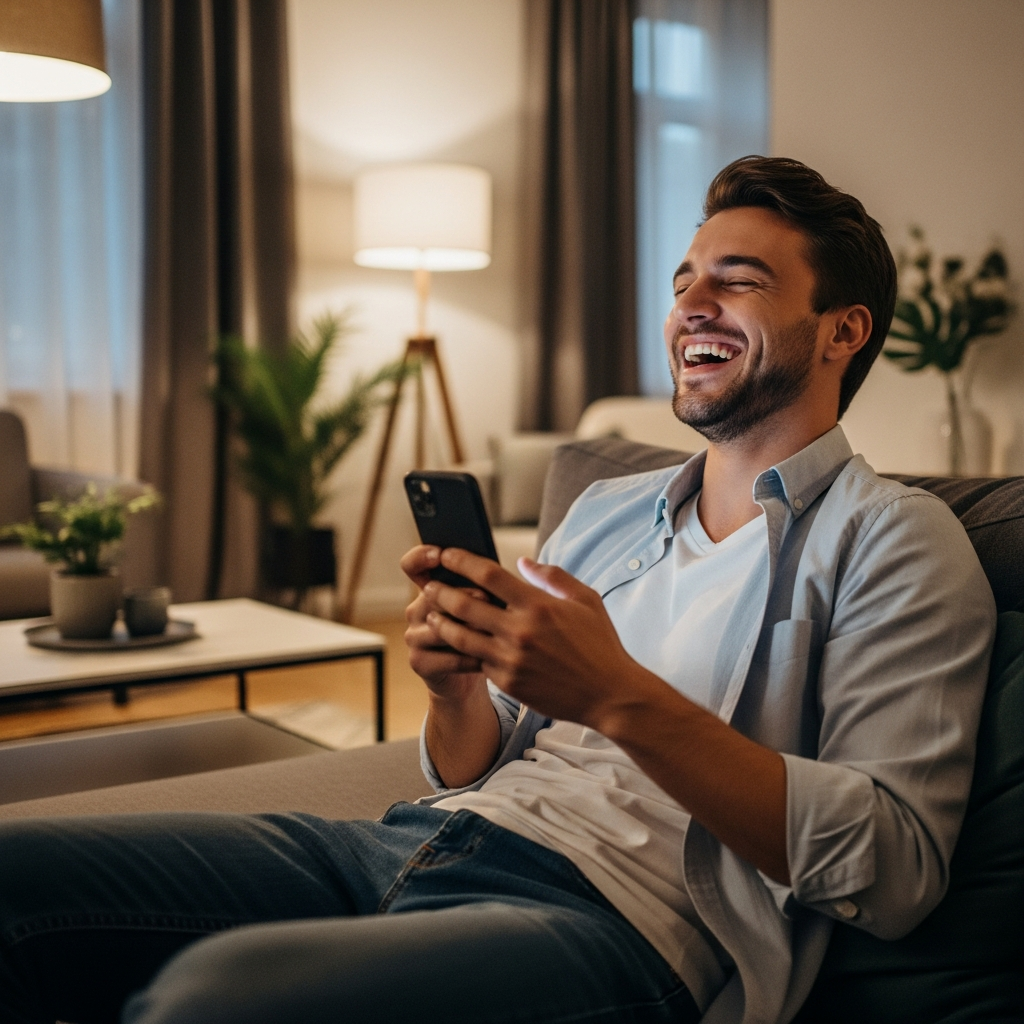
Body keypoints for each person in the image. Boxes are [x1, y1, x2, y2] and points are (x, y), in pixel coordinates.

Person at [0, 157, 995, 1024]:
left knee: (218, 999)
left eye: (736, 283)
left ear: (840, 332)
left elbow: (895, 866)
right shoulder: (609, 508)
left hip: (608, 922)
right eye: (684, 278)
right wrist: (453, 689)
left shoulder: (894, 541)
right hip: (408, 844)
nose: (692, 303)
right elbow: (469, 765)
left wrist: (616, 694)